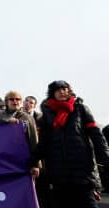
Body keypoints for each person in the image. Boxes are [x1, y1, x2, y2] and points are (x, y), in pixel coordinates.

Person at [33, 80, 109, 208]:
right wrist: (32, 161)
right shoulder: (47, 114)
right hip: (59, 173)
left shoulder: (80, 108)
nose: (62, 91)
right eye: (58, 89)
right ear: (52, 93)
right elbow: (43, 143)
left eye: (65, 89)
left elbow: (96, 135)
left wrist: (106, 159)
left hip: (83, 170)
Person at [0, 91, 39, 176]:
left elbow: (33, 141)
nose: (15, 101)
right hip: (4, 160)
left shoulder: (28, 118)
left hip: (23, 160)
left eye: (18, 99)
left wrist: (35, 165)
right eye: (12, 99)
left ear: (21, 102)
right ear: (6, 102)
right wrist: (5, 122)